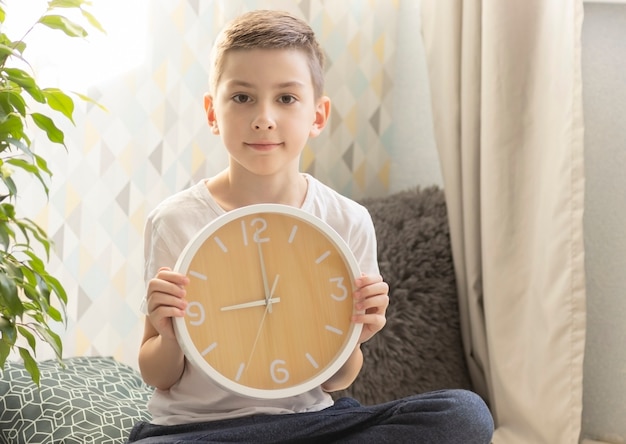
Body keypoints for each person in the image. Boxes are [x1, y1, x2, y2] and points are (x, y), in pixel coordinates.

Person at [129, 9, 494, 444]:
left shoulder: (346, 220)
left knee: (463, 413)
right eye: (242, 97)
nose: (264, 117)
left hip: (311, 424)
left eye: (286, 98)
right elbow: (159, 375)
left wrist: (356, 335)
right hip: (200, 431)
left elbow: (335, 380)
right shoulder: (175, 220)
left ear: (317, 116)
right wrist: (166, 328)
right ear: (212, 112)